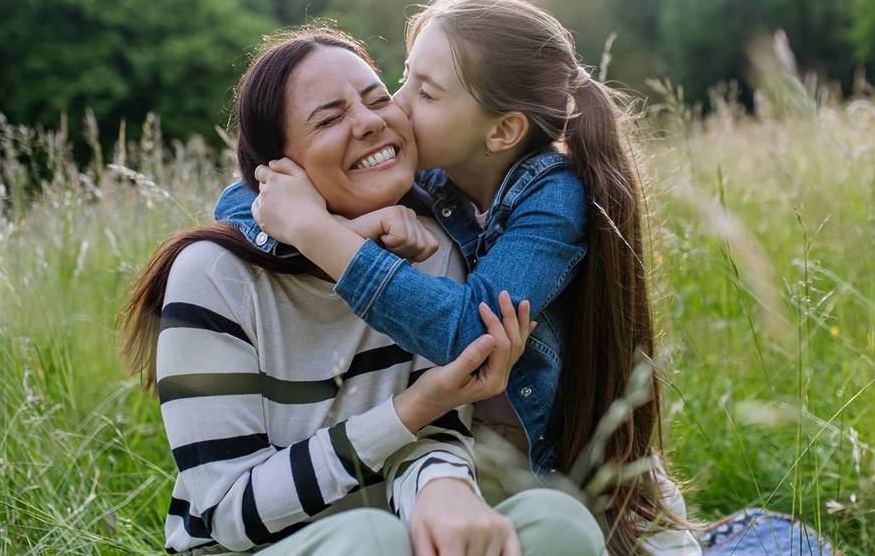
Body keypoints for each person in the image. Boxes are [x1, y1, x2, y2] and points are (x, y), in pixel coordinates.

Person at [218, 0, 699, 553]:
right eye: (404, 77)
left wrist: (320, 235)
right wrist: (346, 232)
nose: (395, 105)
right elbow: (245, 200)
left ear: (500, 132)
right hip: (449, 457)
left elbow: (473, 334)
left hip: (552, 463)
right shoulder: (431, 179)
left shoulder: (553, 200)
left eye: (425, 92)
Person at [118, 27, 606, 555]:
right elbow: (227, 516)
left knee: (556, 521)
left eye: (377, 99)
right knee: (370, 540)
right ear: (280, 169)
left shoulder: (432, 248)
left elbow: (434, 433)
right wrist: (412, 407)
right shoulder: (215, 274)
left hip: (393, 531)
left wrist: (442, 490)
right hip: (260, 546)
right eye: (329, 119)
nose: (372, 120)